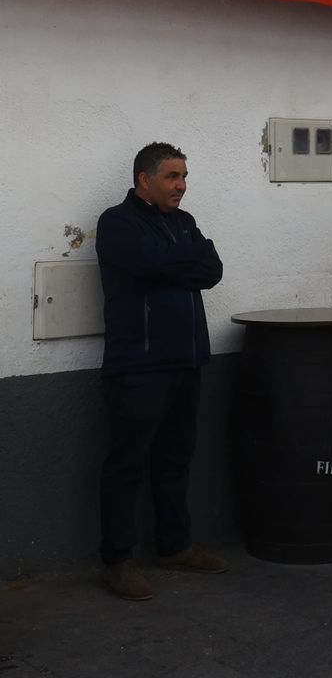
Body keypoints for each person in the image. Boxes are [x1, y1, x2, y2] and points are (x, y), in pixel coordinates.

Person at [95, 142, 228, 600]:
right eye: (172, 177)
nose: (182, 186)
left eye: (184, 176)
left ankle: (174, 546)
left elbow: (211, 269)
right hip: (139, 365)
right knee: (126, 465)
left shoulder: (183, 223)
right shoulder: (117, 223)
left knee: (175, 459)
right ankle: (117, 561)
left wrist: (183, 260)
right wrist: (183, 260)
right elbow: (148, 262)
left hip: (187, 361)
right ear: (144, 180)